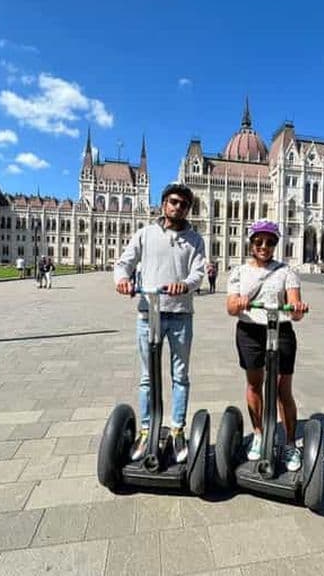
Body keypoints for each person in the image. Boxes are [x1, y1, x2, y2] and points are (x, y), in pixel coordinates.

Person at [114, 183, 206, 463]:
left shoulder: (195, 239)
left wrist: (185, 284)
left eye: (184, 204)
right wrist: (122, 280)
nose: (178, 207)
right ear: (164, 203)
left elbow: (198, 273)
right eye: (174, 202)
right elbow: (123, 263)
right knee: (147, 377)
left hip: (180, 315)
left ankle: (177, 429)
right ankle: (145, 429)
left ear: (188, 209)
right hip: (148, 313)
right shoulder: (145, 234)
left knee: (180, 376)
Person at [226, 220, 308, 472]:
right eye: (259, 241)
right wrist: (238, 302)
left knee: (283, 389)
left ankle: (290, 442)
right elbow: (230, 308)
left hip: (281, 331)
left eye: (270, 242)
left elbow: (295, 308)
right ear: (251, 242)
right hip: (250, 331)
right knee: (254, 383)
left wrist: (296, 309)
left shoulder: (287, 271)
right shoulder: (239, 271)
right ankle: (259, 434)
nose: (264, 246)